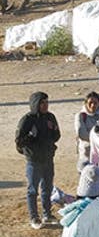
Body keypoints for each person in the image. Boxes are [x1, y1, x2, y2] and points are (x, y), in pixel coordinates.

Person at [17, 91, 60, 228]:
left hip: (48, 158)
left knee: (47, 188)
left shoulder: (50, 117)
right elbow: (19, 142)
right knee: (32, 190)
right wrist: (31, 136)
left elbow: (57, 136)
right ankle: (34, 217)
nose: (45, 105)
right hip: (34, 160)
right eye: (42, 102)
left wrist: (52, 129)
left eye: (47, 102)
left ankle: (47, 214)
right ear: (36, 104)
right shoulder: (27, 119)